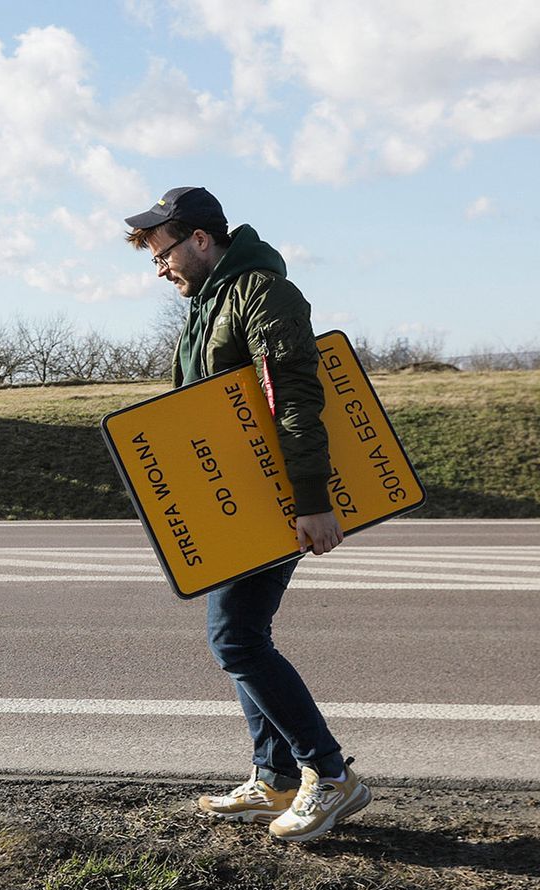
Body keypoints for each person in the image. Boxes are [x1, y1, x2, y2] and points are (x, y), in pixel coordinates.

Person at [123, 186, 371, 842]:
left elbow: (293, 395)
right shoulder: (210, 304)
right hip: (236, 508)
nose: (161, 268)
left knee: (236, 637)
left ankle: (329, 774)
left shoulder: (261, 292)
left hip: (276, 502)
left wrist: (311, 501)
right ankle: (276, 776)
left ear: (201, 239)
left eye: (164, 252)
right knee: (239, 635)